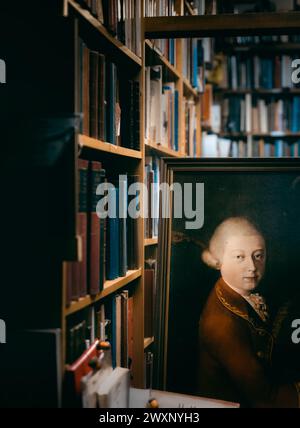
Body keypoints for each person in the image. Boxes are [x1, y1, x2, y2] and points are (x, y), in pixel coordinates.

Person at [198, 217, 300, 408]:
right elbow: (265, 399)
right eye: (239, 257)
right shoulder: (222, 325)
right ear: (218, 260)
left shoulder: (237, 291)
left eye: (258, 255)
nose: (252, 267)